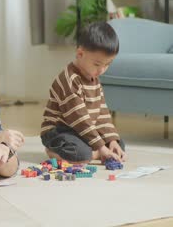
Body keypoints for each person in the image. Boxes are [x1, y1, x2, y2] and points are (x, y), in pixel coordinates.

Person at [41, 21, 127, 164]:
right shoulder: (69, 80)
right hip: (59, 131)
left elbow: (102, 113)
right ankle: (55, 151)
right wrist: (101, 148)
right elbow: (80, 119)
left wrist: (111, 141)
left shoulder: (94, 77)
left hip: (82, 131)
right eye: (97, 64)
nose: (102, 70)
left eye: (107, 64)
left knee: (118, 143)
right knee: (81, 154)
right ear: (80, 53)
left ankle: (95, 151)